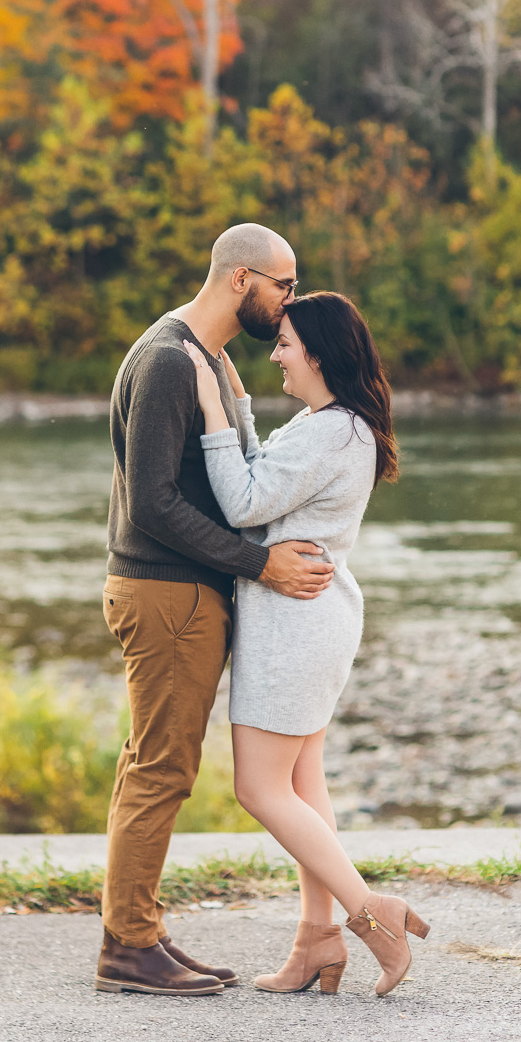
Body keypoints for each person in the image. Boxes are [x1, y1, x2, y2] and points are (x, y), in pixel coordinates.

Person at [96, 224, 336, 997]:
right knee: (161, 767)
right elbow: (154, 504)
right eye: (284, 285)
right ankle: (128, 947)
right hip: (167, 592)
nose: (289, 300)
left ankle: (139, 929)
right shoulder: (170, 361)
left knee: (152, 762)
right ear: (241, 279)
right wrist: (260, 564)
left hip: (184, 592)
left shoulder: (207, 359)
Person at [183, 291, 431, 998]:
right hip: (309, 618)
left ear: (318, 352)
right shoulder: (331, 423)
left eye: (285, 342)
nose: (275, 354)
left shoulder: (334, 432)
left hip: (296, 624)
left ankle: (368, 912)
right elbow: (268, 479)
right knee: (301, 783)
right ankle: (315, 939)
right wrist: (244, 410)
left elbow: (243, 503)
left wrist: (211, 413)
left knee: (259, 787)